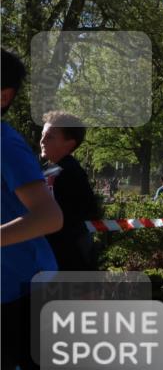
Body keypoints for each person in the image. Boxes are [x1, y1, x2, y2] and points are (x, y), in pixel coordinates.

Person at [0, 49, 157, 370]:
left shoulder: (7, 144)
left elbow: (51, 217)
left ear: (4, 96)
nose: (43, 140)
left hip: (21, 283)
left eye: (51, 135)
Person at [39, 111, 102, 271]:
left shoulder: (72, 172)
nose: (42, 141)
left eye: (49, 137)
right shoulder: (46, 170)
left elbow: (89, 210)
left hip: (70, 257)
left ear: (69, 144)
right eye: (42, 135)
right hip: (50, 254)